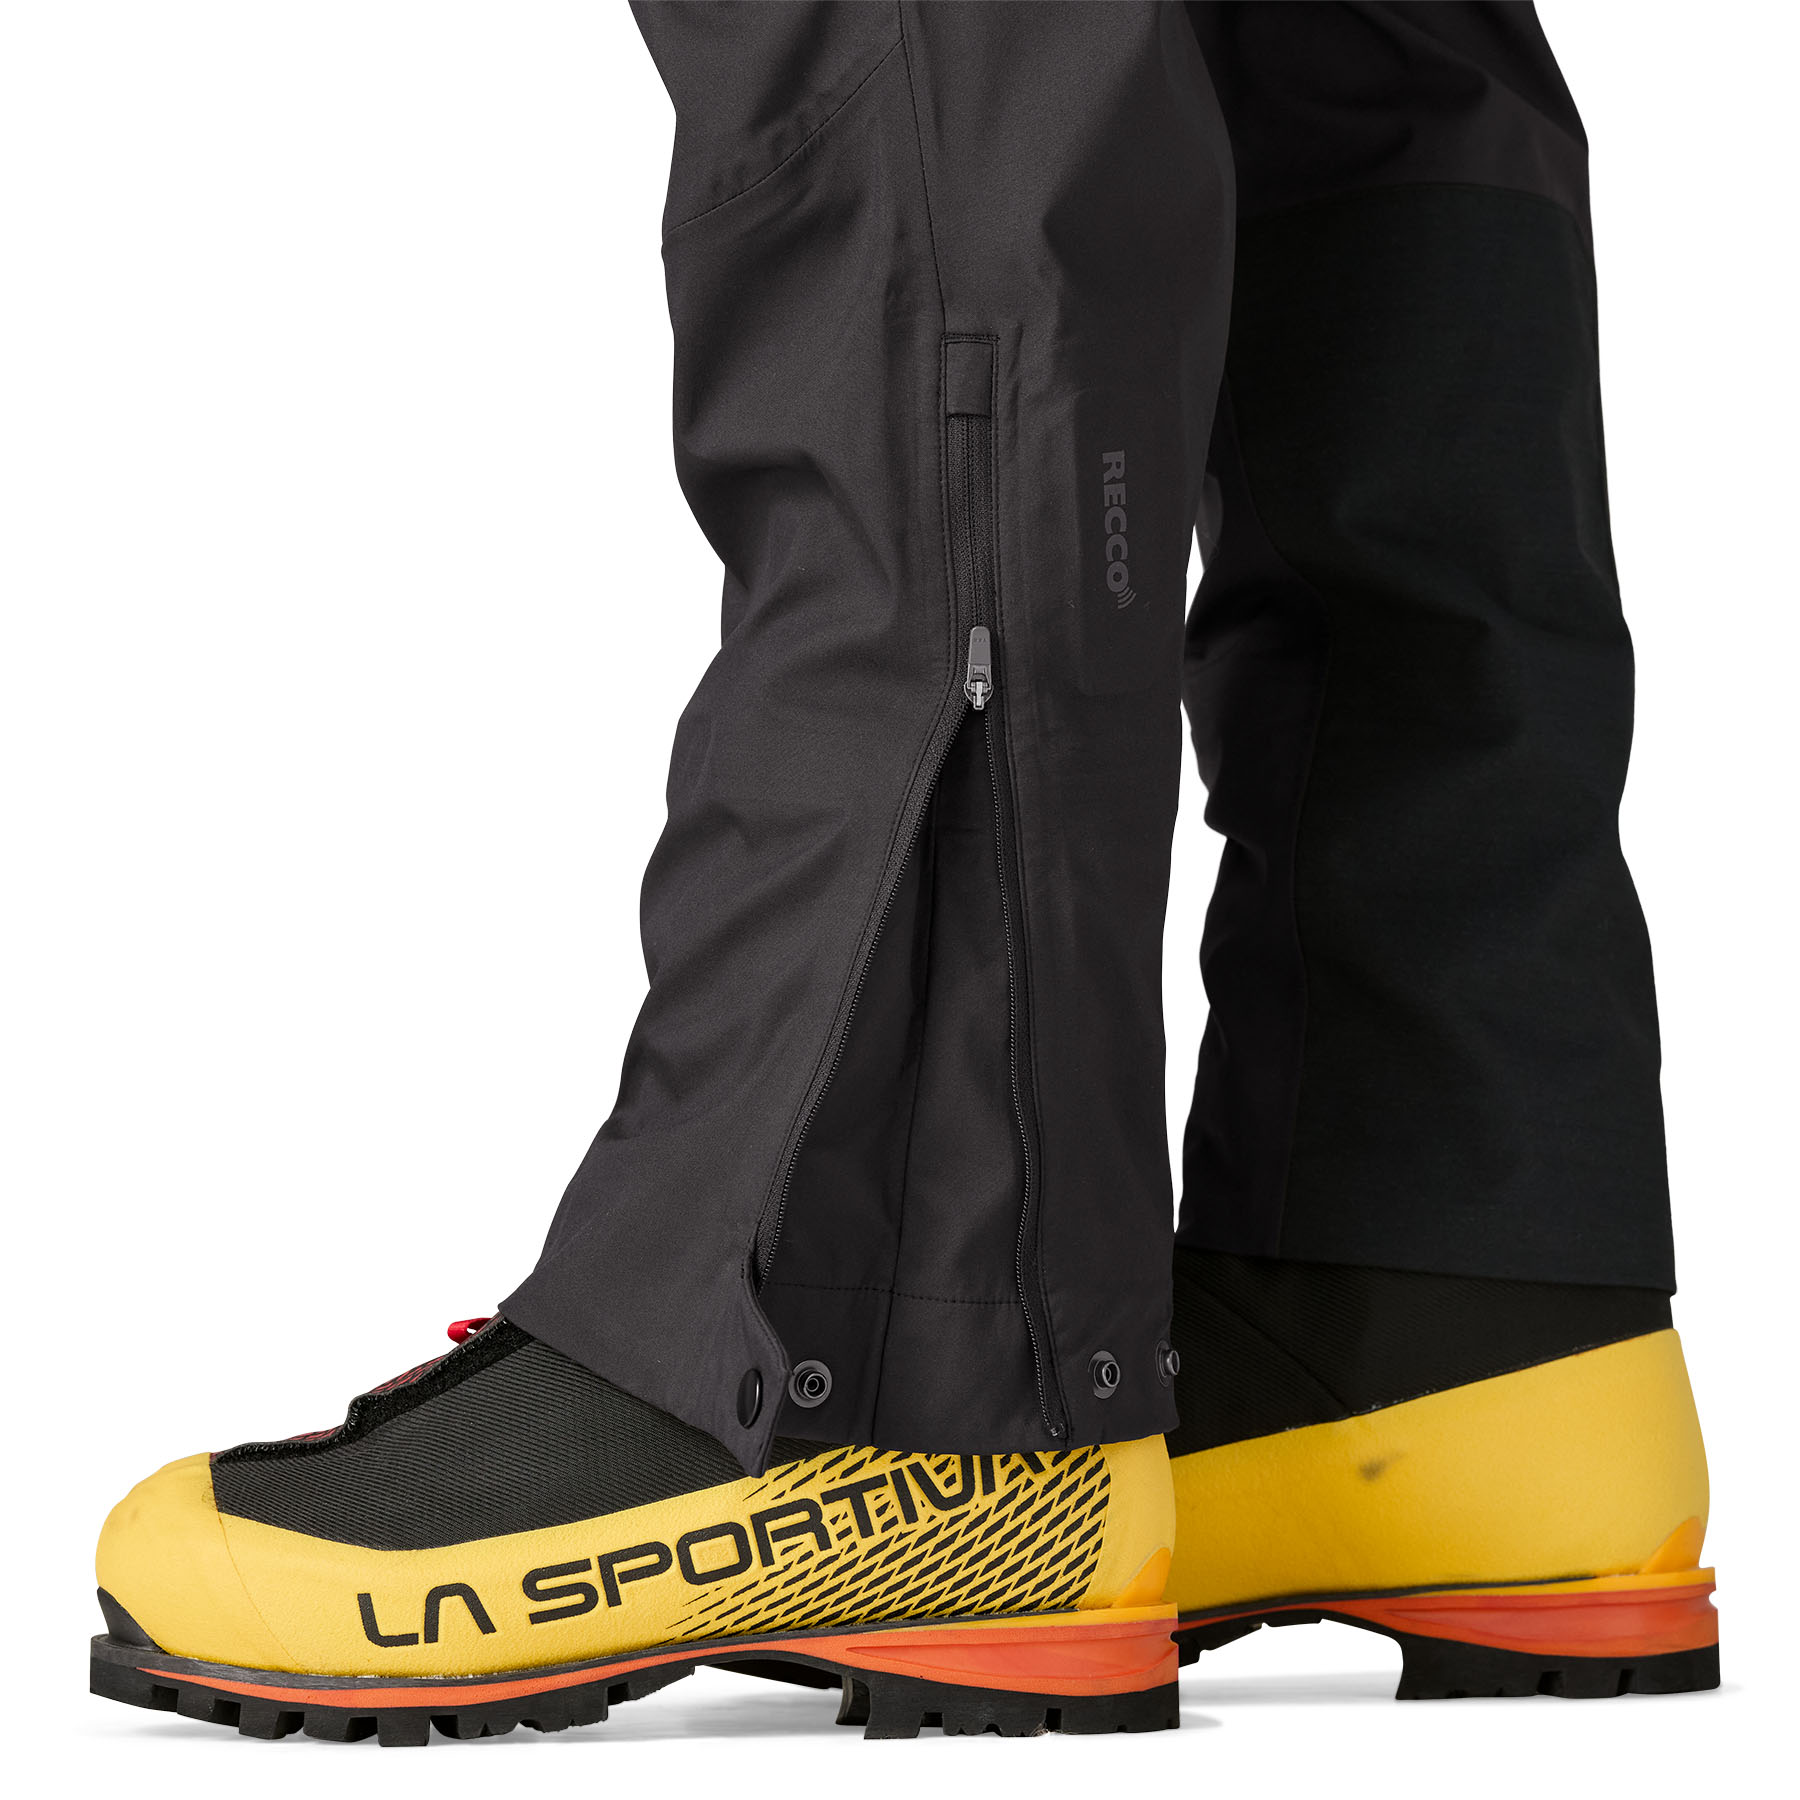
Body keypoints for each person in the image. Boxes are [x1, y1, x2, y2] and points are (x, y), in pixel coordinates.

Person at [90, 2, 1715, 1744]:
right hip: (1465, 1290)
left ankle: (914, 1375)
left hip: (909, 1388)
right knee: (1349, 49)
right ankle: (1453, 1320)